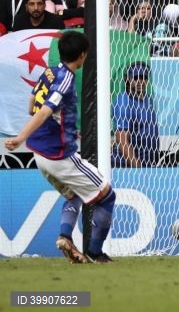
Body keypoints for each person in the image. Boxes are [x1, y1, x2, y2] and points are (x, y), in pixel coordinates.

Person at [5, 31, 116, 263]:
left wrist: (64, 125)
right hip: (59, 155)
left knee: (73, 194)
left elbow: (31, 104)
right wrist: (19, 137)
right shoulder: (66, 78)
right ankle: (96, 253)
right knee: (106, 196)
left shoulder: (48, 72)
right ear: (83, 55)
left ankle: (65, 237)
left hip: (40, 154)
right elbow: (45, 110)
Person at [112, 61, 159, 167]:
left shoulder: (147, 99)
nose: (140, 81)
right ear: (128, 79)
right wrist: (137, 168)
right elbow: (122, 140)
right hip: (127, 167)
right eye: (136, 77)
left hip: (148, 165)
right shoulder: (124, 103)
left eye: (144, 78)